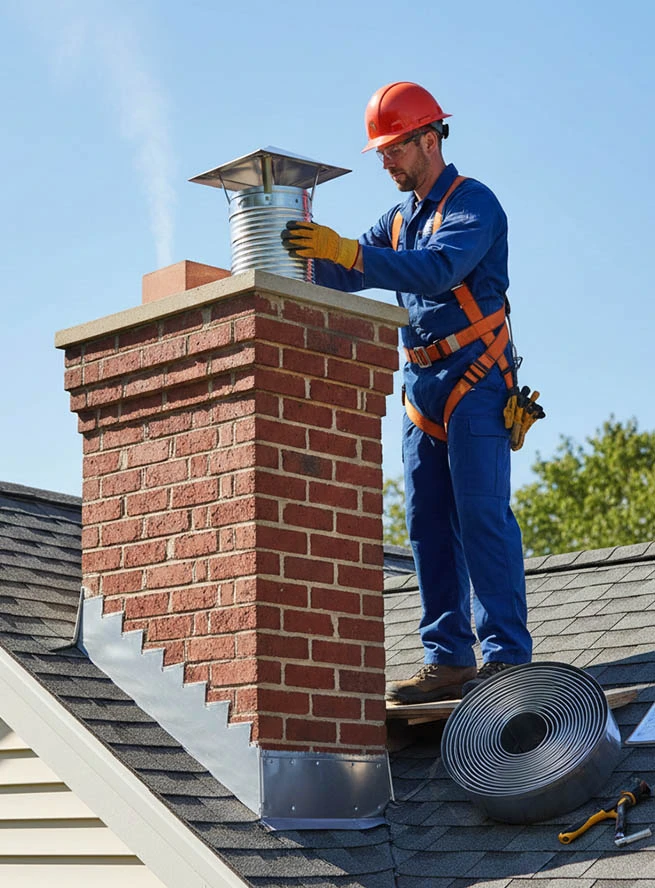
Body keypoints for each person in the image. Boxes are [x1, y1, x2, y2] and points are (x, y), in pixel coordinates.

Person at [281, 81, 532, 702]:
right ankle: (448, 658)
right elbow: (344, 270)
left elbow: (438, 269)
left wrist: (347, 252)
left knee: (481, 514)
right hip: (422, 386)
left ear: (429, 139)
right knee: (425, 521)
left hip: (477, 378)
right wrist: (283, 251)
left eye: (394, 149)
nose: (386, 161)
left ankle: (506, 658)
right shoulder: (399, 220)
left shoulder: (473, 204)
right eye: (382, 152)